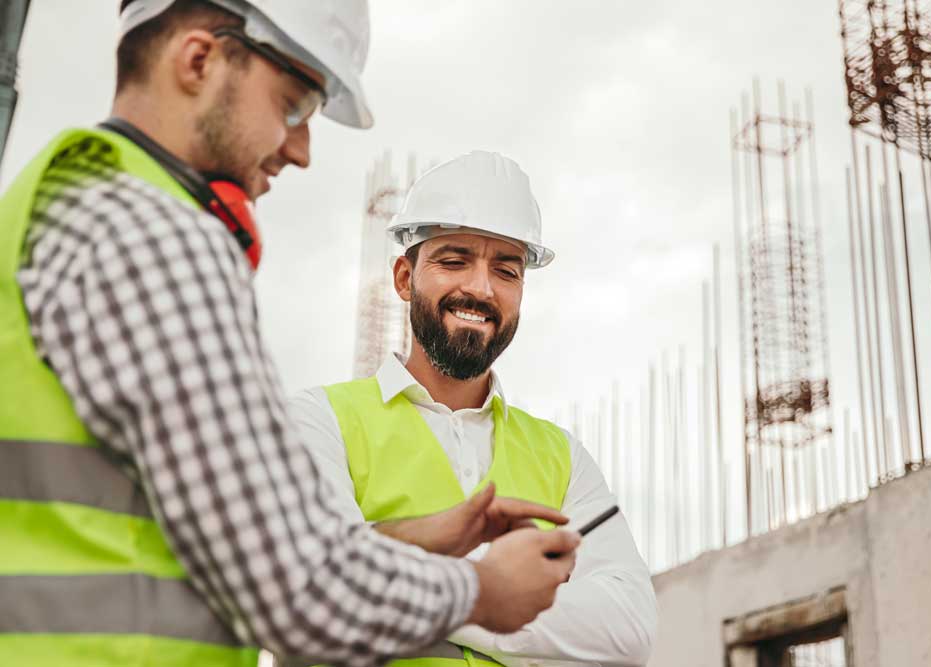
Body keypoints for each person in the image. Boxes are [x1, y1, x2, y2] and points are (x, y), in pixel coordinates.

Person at [0, 3, 580, 665]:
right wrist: (479, 587)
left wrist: (423, 538)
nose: (301, 150)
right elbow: (293, 584)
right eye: (294, 105)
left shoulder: (65, 199)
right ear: (199, 60)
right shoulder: (154, 238)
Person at [290, 151, 659, 667]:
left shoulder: (562, 456)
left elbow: (629, 629)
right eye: (453, 260)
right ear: (403, 277)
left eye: (505, 270)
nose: (480, 288)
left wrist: (389, 572)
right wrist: (495, 590)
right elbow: (317, 587)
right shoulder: (316, 422)